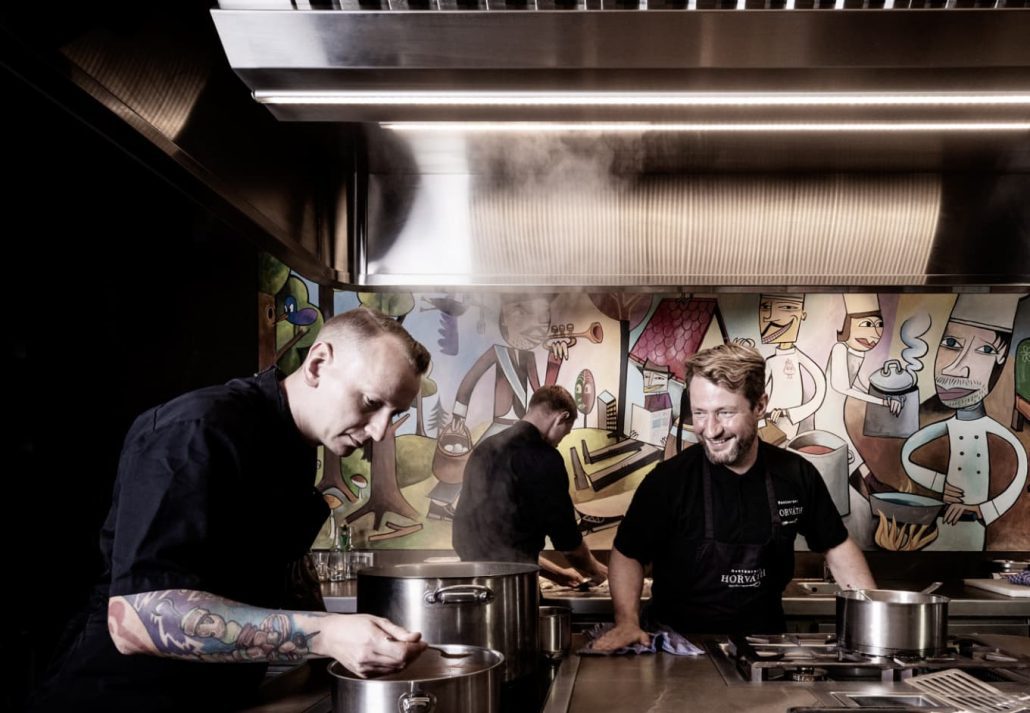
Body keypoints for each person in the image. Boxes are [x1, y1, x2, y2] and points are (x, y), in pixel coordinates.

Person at [28, 307, 432, 713]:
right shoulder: (196, 431)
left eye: (394, 415)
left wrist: (340, 654)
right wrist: (326, 634)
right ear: (318, 363)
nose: (380, 432)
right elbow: (134, 619)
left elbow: (281, 565)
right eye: (370, 402)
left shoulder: (295, 447)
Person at [594, 343, 875, 649]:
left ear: (760, 405)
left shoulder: (796, 475)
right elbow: (627, 553)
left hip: (765, 648)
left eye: (725, 413)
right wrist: (627, 621)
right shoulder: (668, 481)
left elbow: (837, 548)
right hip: (678, 648)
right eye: (700, 413)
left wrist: (875, 624)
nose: (710, 430)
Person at [901, 294, 1026, 551]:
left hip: (973, 528)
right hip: (943, 523)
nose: (957, 368)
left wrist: (983, 509)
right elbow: (907, 454)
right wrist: (939, 484)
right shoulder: (936, 420)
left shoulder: (998, 433)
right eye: (951, 343)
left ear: (1000, 360)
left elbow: (1019, 472)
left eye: (985, 350)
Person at [452, 385, 608, 587]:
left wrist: (558, 574)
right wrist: (600, 572)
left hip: (472, 587)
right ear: (561, 417)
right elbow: (568, 542)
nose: (560, 441)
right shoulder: (544, 458)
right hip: (515, 593)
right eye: (565, 433)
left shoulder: (485, 449)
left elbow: (498, 550)